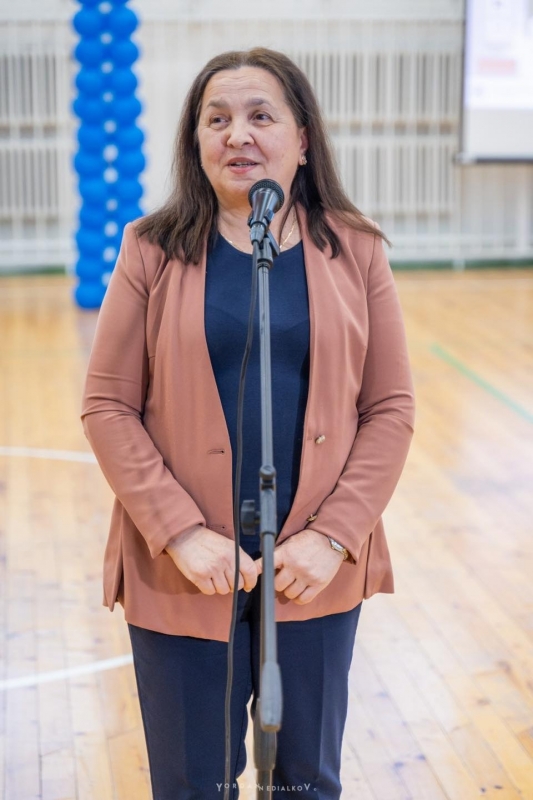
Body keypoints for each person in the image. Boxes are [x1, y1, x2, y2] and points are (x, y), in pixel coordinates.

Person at [81, 47, 415, 800]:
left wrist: (333, 538)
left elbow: (390, 407)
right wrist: (179, 533)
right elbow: (107, 404)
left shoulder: (356, 247)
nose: (237, 134)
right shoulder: (149, 248)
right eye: (217, 119)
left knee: (306, 784)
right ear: (196, 141)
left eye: (261, 116)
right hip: (185, 568)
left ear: (302, 140)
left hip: (312, 572)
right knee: (192, 784)